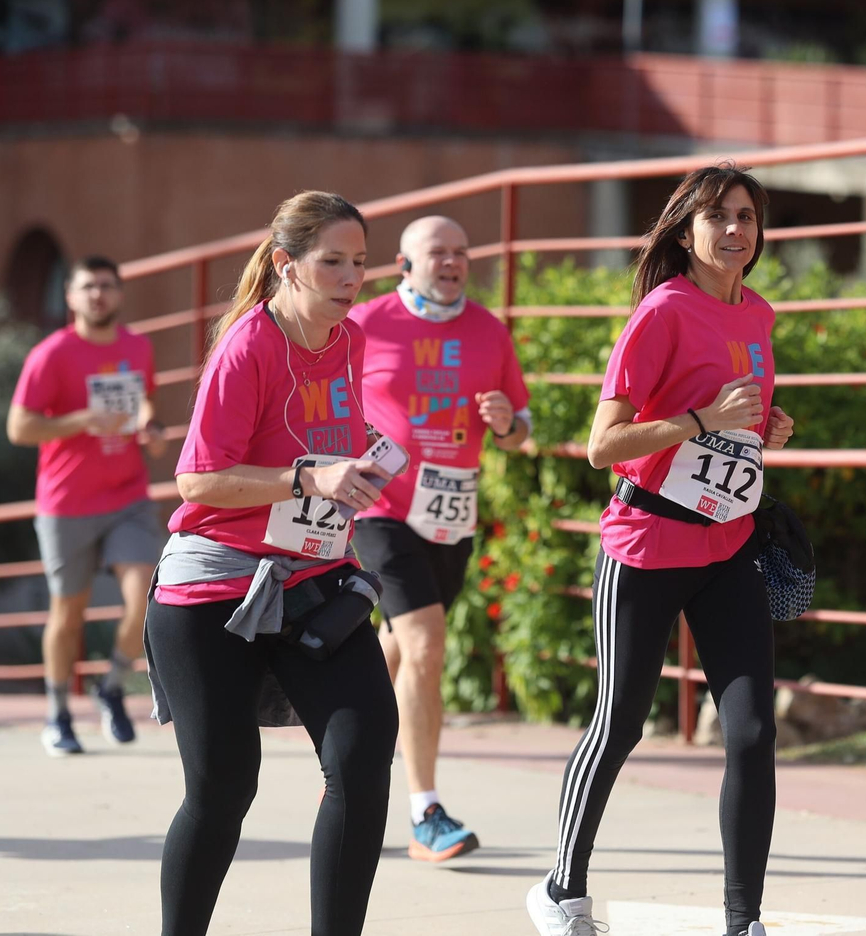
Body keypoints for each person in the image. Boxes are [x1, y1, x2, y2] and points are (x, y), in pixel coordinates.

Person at [526, 164, 795, 936]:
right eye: (718, 217)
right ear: (685, 230)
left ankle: (744, 921)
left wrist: (765, 426)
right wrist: (703, 420)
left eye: (746, 216)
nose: (735, 230)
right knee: (620, 720)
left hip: (729, 547)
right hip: (646, 544)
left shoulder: (758, 314)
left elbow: (740, 414)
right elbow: (602, 443)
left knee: (751, 730)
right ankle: (560, 887)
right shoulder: (663, 311)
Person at [143, 191, 398, 936]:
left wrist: (356, 468)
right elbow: (197, 481)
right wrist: (309, 477)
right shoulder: (247, 346)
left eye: (359, 261)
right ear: (287, 265)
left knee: (361, 756)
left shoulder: (347, 340)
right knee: (224, 787)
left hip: (313, 573)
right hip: (213, 584)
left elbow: (318, 437)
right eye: (333, 262)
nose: (352, 276)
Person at [348, 214, 531, 863]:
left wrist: (508, 422)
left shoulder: (489, 330)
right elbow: (325, 401)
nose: (452, 262)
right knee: (426, 643)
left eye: (461, 251)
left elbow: (519, 428)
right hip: (379, 507)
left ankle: (340, 768)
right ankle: (424, 809)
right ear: (404, 264)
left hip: (450, 513)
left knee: (397, 646)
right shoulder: (364, 324)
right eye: (437, 253)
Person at [7, 254, 167, 756]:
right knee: (68, 612)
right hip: (66, 502)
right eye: (87, 287)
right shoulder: (51, 353)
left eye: (106, 285)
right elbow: (19, 428)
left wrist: (151, 429)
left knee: (146, 597)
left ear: (119, 293)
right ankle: (57, 713)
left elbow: (144, 405)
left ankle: (111, 687)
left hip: (127, 496)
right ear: (70, 297)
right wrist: (81, 421)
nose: (98, 294)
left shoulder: (137, 347)